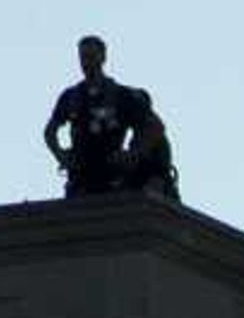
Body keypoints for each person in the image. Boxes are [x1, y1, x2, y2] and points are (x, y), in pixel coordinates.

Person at [44, 37, 178, 203]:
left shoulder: (121, 95)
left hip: (113, 172)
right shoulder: (71, 97)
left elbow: (156, 127)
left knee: (158, 151)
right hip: (83, 174)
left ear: (103, 57)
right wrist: (62, 156)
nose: (87, 63)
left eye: (92, 56)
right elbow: (50, 132)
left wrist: (132, 155)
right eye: (83, 57)